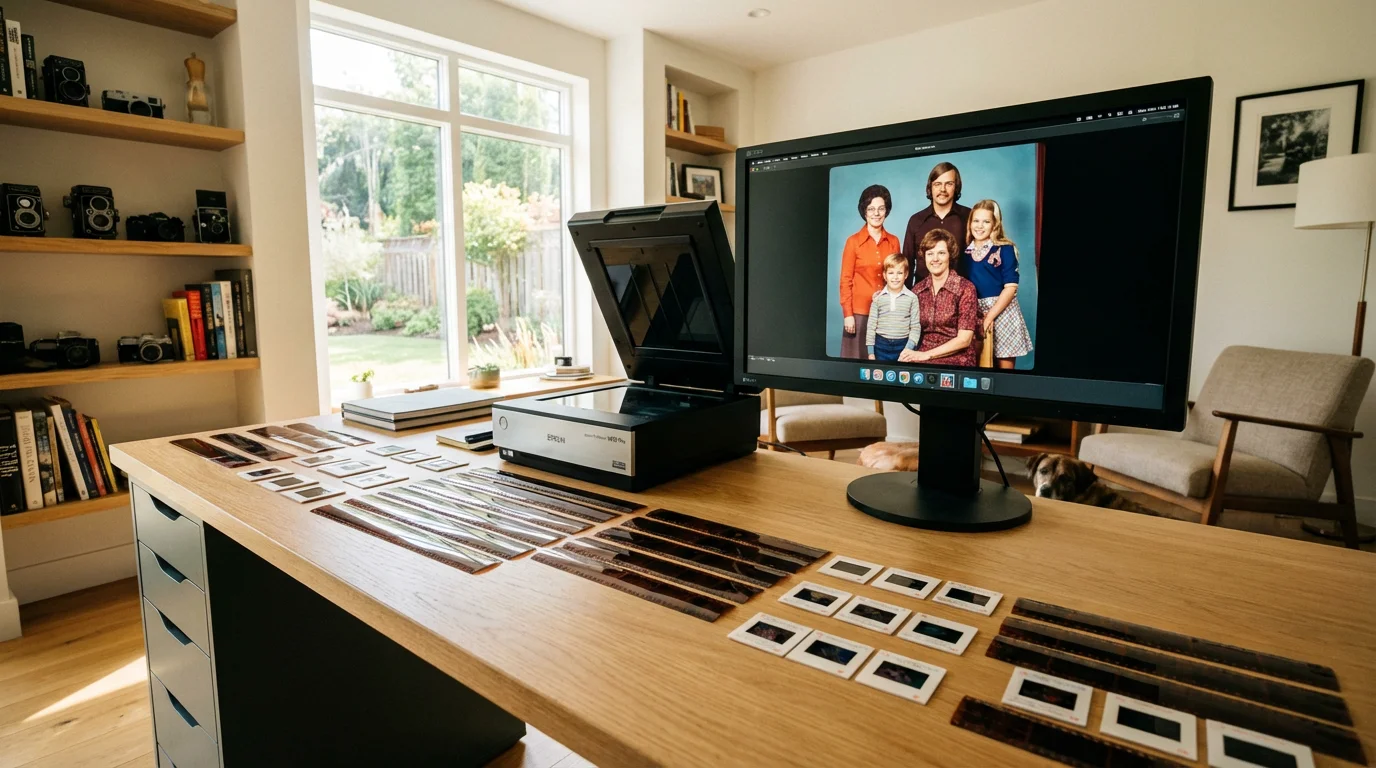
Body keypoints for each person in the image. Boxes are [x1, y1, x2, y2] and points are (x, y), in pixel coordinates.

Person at [965, 199, 1033, 369]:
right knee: (980, 369)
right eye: (976, 221)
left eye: (986, 221)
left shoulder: (1005, 249)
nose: (980, 226)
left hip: (1002, 312)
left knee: (1005, 372)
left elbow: (1010, 288)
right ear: (970, 223)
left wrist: (989, 318)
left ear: (994, 224)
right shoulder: (965, 252)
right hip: (976, 312)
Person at [899, 228, 978, 367]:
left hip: (957, 359)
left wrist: (926, 355)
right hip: (920, 356)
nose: (935, 259)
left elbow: (964, 339)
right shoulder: (918, 290)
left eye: (941, 253)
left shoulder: (965, 288)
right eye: (930, 253)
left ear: (950, 255)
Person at [839, 184, 901, 359]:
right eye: (871, 208)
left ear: (886, 211)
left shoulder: (894, 241)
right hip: (859, 315)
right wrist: (848, 315)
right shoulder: (853, 242)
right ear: (864, 212)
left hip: (886, 313)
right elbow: (845, 280)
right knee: (856, 365)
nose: (876, 213)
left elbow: (897, 277)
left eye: (881, 208)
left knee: (881, 366)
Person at [901, 161, 971, 286]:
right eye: (937, 184)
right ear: (930, 187)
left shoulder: (969, 216)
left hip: (961, 296)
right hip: (922, 297)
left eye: (949, 184)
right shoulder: (916, 220)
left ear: (956, 186)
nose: (942, 189)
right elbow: (907, 264)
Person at [866, 252, 921, 361]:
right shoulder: (878, 299)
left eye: (899, 273)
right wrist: (871, 353)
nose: (895, 277)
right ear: (885, 275)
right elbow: (871, 326)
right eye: (891, 273)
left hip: (903, 346)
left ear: (906, 275)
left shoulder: (912, 298)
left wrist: (908, 349)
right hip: (880, 346)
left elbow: (915, 326)